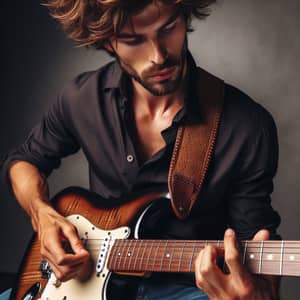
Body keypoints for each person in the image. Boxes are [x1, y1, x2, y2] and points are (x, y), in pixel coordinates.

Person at [1, 0, 281, 299]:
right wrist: (42, 215)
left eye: (168, 29)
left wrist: (258, 295)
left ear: (184, 17)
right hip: (84, 283)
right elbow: (24, 161)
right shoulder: (81, 99)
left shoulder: (248, 125)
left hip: (188, 289)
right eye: (133, 40)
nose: (158, 56)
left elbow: (258, 243)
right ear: (108, 41)